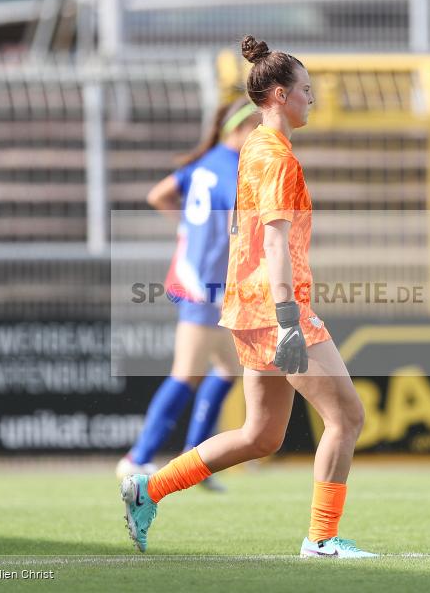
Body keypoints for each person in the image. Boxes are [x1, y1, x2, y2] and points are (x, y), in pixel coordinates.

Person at [120, 35, 376, 559]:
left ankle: (148, 489)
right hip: (276, 308)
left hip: (246, 307)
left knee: (260, 435)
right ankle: (322, 539)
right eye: (306, 90)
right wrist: (288, 320)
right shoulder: (276, 156)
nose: (313, 99)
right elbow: (276, 244)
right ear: (279, 94)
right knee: (347, 418)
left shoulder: (254, 146)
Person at [115, 97, 261, 492]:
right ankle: (138, 456)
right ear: (241, 129)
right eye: (257, 128)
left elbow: (157, 194)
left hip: (194, 278)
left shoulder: (203, 163)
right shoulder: (234, 168)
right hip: (208, 285)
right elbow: (238, 227)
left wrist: (187, 229)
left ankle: (194, 460)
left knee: (227, 369)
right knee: (187, 372)